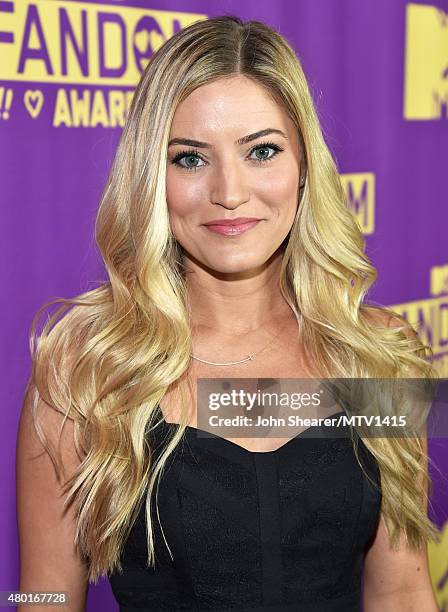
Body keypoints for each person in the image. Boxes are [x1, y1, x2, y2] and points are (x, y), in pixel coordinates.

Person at [16, 15, 440, 612]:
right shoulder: (83, 366)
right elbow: (41, 595)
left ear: (304, 167)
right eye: (190, 159)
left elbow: (401, 590)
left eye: (262, 151)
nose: (231, 192)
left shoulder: (378, 351)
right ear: (150, 178)